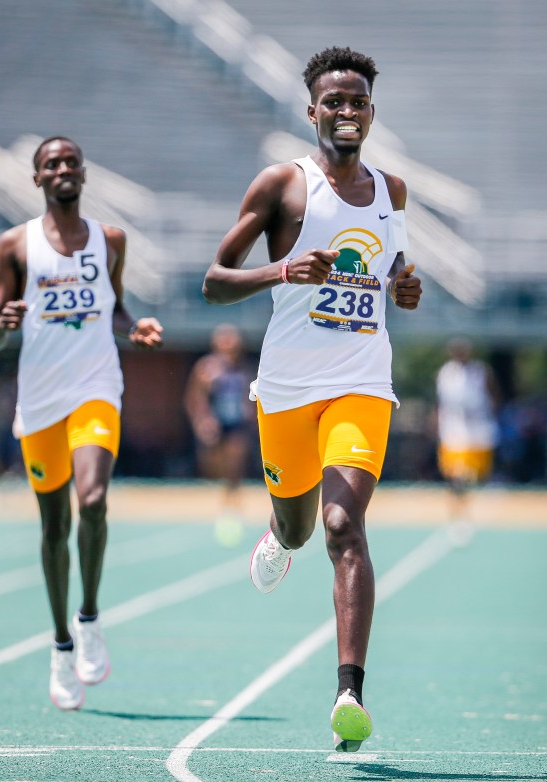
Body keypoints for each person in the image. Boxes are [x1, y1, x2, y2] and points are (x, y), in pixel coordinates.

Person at [202, 47, 422, 752]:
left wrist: (405, 290)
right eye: (334, 101)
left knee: (341, 525)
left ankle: (349, 692)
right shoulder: (283, 186)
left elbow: (391, 276)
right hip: (289, 392)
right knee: (299, 530)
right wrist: (283, 270)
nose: (347, 112)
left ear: (371, 112)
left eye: (358, 101)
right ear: (312, 112)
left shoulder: (394, 192)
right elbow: (212, 279)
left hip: (362, 385)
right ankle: (277, 533)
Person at [0, 136, 163, 710]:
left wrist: (135, 329)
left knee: (94, 500)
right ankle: (61, 644)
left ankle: (89, 617)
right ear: (37, 179)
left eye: (70, 162)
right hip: (39, 401)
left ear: (83, 173)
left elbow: (116, 308)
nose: (62, 169)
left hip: (95, 389)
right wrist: (2, 324)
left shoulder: (110, 240)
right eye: (50, 164)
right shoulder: (16, 245)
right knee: (54, 525)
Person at [184, 323, 256, 545]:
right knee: (212, 467)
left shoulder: (245, 369)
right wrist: (202, 420)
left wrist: (252, 419)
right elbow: (194, 398)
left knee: (235, 463)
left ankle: (231, 504)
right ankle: (214, 504)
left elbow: (251, 398)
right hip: (215, 424)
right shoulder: (206, 368)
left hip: (237, 423)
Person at [436, 338, 498, 538]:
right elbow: (441, 403)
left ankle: (471, 511)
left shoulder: (480, 371)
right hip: (454, 431)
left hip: (479, 430)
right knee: (457, 476)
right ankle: (459, 516)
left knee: (478, 476)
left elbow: (494, 395)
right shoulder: (445, 373)